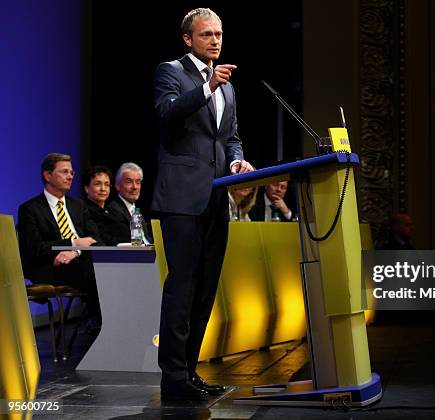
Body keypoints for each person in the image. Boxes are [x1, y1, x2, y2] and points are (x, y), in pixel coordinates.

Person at [151, 7, 253, 402]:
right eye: (207, 34)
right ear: (188, 39)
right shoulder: (171, 71)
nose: (215, 40)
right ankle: (172, 378)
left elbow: (231, 136)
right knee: (182, 287)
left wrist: (236, 159)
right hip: (181, 197)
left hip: (216, 197)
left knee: (206, 289)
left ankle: (189, 372)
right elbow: (166, 113)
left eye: (219, 34)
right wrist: (207, 86)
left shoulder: (227, 86)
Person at [18, 153, 101, 318]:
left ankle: (106, 324)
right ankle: (101, 323)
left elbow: (95, 239)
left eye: (71, 172)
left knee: (110, 266)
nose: (70, 176)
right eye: (64, 172)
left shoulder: (78, 205)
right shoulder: (30, 209)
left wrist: (75, 251)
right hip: (52, 266)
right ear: (47, 175)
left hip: (81, 260)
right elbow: (34, 248)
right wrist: (71, 242)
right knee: (98, 271)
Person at [83, 166, 130, 246]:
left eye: (107, 184)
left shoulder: (113, 210)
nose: (103, 189)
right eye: (98, 184)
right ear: (87, 188)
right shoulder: (83, 211)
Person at [109, 162, 152, 244]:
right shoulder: (113, 210)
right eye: (129, 182)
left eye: (138, 182)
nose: (135, 187)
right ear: (117, 185)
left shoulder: (137, 211)